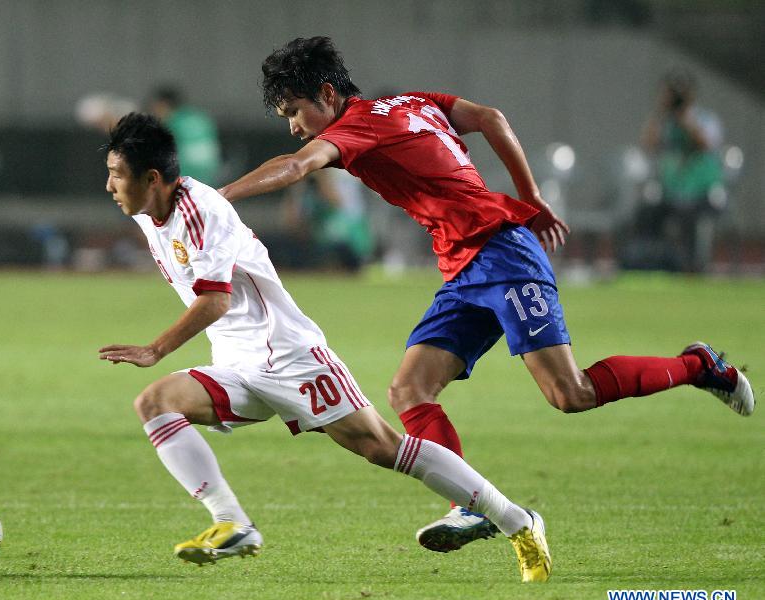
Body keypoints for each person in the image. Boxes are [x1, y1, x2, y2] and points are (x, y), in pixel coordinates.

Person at [217, 36, 756, 554]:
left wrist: (217, 199)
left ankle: (698, 365)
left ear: (328, 94)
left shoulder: (358, 127)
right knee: (410, 390)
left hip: (502, 255)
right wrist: (532, 195)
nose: (294, 128)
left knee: (571, 394)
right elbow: (490, 117)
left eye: (294, 111)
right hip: (465, 266)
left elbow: (294, 167)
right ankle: (470, 506)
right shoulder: (410, 102)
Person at [97, 113, 551, 582]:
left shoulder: (200, 210)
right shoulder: (153, 215)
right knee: (155, 403)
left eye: (116, 174)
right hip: (236, 361)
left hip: (288, 355)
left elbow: (215, 300)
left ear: (152, 178)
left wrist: (155, 349)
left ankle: (519, 521)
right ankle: (232, 523)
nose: (109, 185)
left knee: (382, 447)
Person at [638, 70, 725, 273]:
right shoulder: (664, 122)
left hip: (702, 191)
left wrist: (685, 117)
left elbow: (705, 144)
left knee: (688, 214)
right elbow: (649, 144)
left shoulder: (705, 119)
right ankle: (653, 262)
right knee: (647, 212)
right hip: (671, 190)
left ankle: (692, 266)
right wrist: (661, 114)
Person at [148, 85, 221, 186]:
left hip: (185, 176)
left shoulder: (171, 122)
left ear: (163, 104)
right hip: (211, 174)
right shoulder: (201, 117)